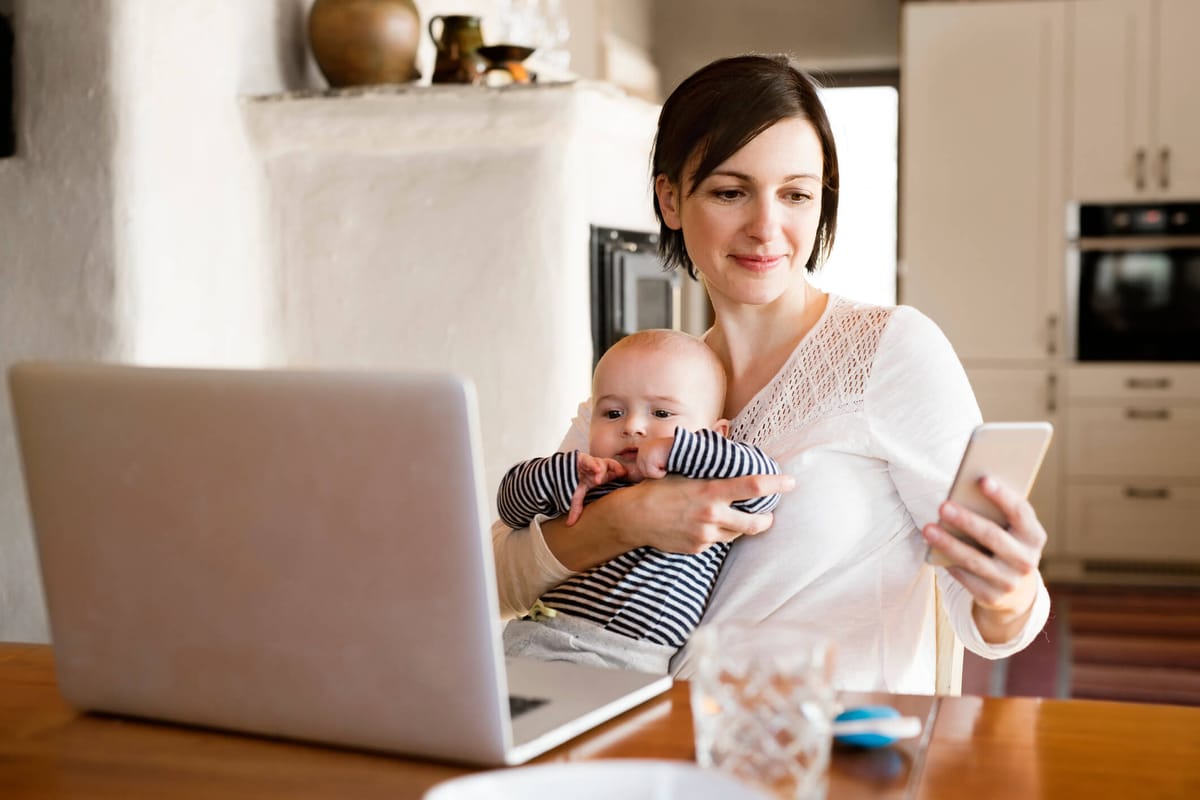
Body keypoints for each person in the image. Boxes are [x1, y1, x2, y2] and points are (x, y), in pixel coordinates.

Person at [492, 54, 1051, 694]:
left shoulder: (890, 350)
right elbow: (502, 578)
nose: (766, 228)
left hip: (824, 756)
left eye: (795, 194)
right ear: (670, 199)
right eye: (731, 192)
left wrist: (1007, 593)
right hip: (651, 741)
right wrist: (630, 520)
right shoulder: (647, 380)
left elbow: (992, 618)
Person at [497, 329, 781, 675]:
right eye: (613, 413)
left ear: (716, 434)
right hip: (540, 641)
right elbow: (510, 506)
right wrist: (566, 472)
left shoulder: (709, 485)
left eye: (662, 414)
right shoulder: (593, 478)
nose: (633, 426)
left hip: (632, 663)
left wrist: (677, 449)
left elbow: (764, 485)